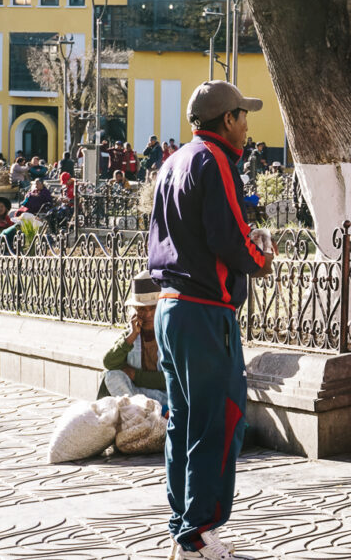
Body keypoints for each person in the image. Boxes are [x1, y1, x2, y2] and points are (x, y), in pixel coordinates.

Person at [148, 80, 273, 560]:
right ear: (227, 121)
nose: (247, 124)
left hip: (171, 308)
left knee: (184, 422)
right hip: (205, 311)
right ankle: (199, 533)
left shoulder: (173, 161)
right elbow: (228, 240)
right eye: (244, 115)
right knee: (219, 423)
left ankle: (185, 530)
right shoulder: (215, 160)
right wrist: (260, 257)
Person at [101, 271, 168, 408]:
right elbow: (109, 362)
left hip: (164, 397)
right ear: (135, 311)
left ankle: (137, 412)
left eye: (153, 308)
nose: (148, 314)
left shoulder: (170, 334)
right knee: (111, 375)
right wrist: (131, 337)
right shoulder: (132, 333)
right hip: (135, 396)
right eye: (142, 309)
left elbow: (171, 379)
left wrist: (135, 375)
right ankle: (135, 412)